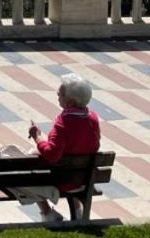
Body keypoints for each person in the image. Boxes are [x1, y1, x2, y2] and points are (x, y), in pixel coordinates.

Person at [26, 72, 101, 223]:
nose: (57, 95)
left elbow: (52, 155)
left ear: (70, 102)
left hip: (62, 180)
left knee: (29, 162)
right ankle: (78, 211)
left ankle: (47, 213)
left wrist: (37, 136)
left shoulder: (64, 122)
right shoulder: (93, 118)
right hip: (83, 178)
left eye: (60, 94)